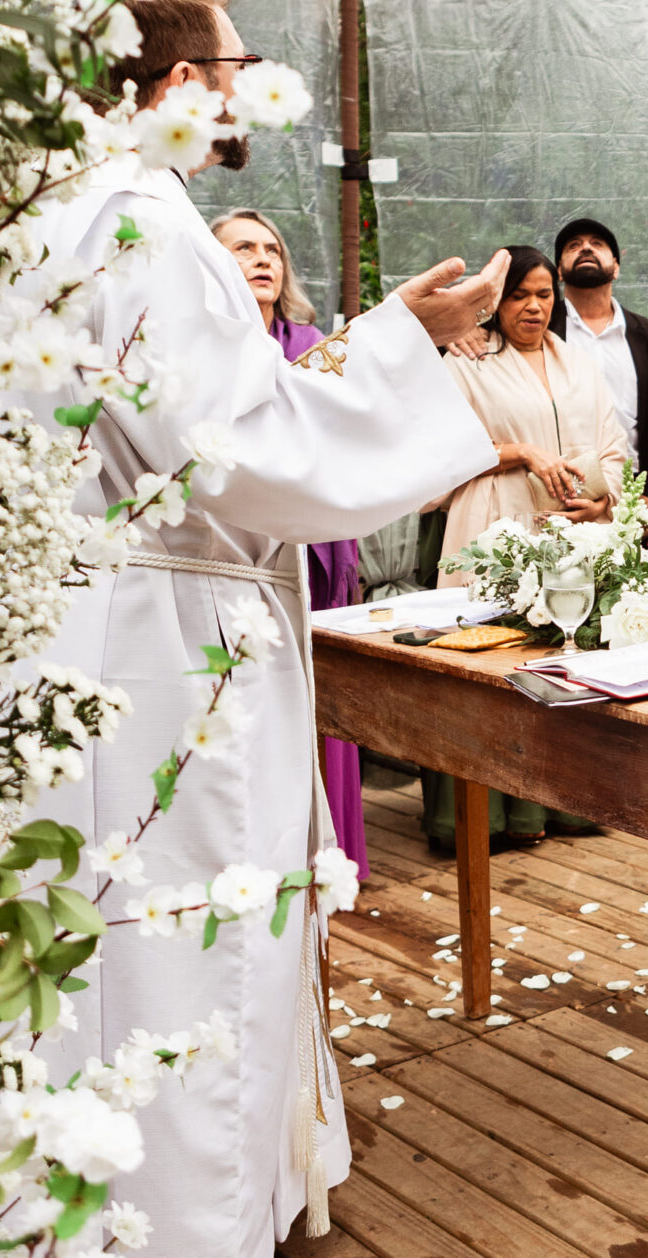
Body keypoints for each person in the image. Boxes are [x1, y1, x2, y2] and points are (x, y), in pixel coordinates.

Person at [25, 0, 504, 1256]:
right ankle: (190, 1214)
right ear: (181, 86)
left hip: (94, 623)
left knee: (108, 931)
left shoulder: (56, 212)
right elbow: (238, 449)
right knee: (183, 933)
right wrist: (407, 352)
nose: (246, 85)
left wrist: (384, 333)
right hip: (177, 649)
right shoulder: (145, 219)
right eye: (235, 61)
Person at [424, 245, 627, 851]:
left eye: (543, 294)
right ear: (495, 302)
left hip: (569, 536)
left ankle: (560, 805)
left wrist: (604, 499)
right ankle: (478, 818)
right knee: (489, 668)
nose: (533, 307)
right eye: (519, 295)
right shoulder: (467, 361)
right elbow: (436, 450)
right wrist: (519, 454)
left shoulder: (578, 364)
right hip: (491, 528)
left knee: (560, 662)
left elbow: (613, 447)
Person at [209, 208, 371, 892]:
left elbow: (346, 428)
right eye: (243, 248)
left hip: (315, 543)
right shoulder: (204, 345)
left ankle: (328, 853)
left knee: (318, 694)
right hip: (231, 547)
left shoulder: (314, 342)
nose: (262, 259)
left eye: (271, 248)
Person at [547, 216, 648, 511]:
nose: (585, 248)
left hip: (634, 496)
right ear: (559, 271)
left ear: (616, 268)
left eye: (596, 244)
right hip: (559, 490)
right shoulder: (540, 329)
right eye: (573, 246)